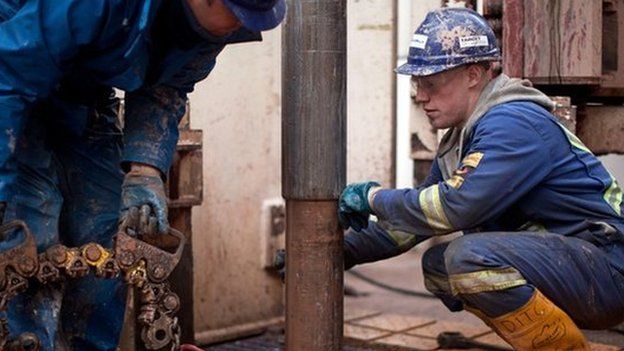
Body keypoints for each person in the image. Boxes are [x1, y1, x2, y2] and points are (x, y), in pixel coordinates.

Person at [0, 0, 285, 349]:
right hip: (11, 74)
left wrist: (145, 169)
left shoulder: (213, 28)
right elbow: (9, 70)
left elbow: (169, 84)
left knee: (106, 226)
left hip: (81, 91)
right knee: (30, 224)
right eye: (237, 15)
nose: (239, 28)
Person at [338, 7, 624, 350]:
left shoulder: (513, 123)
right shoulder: (462, 138)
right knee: (438, 264)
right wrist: (340, 251)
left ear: (473, 74)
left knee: (468, 258)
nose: (420, 96)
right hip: (573, 263)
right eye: (417, 84)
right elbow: (414, 223)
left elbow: (455, 207)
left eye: (430, 83)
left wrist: (372, 198)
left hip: (607, 267)